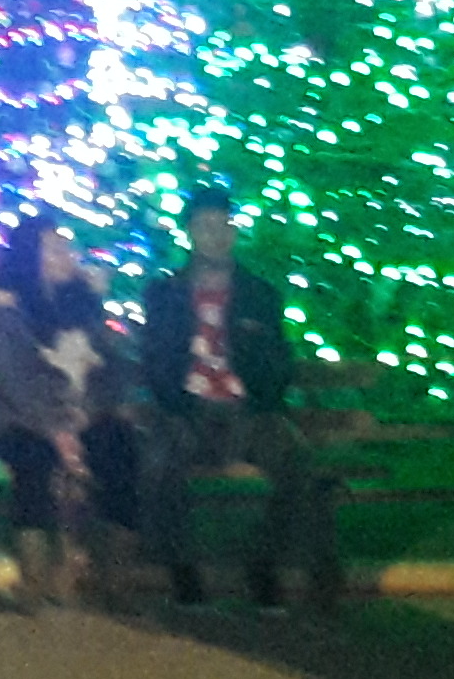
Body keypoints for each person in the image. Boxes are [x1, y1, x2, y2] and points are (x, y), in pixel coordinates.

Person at [137, 180, 322, 611]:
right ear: (190, 233)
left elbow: (279, 358)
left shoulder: (259, 294)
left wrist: (263, 400)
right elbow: (155, 358)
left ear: (234, 231)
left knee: (295, 459)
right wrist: (176, 403)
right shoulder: (165, 294)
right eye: (205, 226)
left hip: (249, 411)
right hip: (189, 410)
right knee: (159, 465)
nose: (216, 235)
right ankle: (183, 569)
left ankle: (265, 565)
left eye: (223, 225)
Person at [0, 212, 128, 606]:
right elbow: (15, 379)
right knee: (33, 461)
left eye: (65, 246)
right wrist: (57, 430)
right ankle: (35, 575)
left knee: (121, 449)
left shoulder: (84, 301)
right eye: (54, 248)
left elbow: (112, 366)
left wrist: (89, 414)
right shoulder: (5, 308)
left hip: (86, 412)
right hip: (24, 418)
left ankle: (112, 572)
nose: (66, 254)